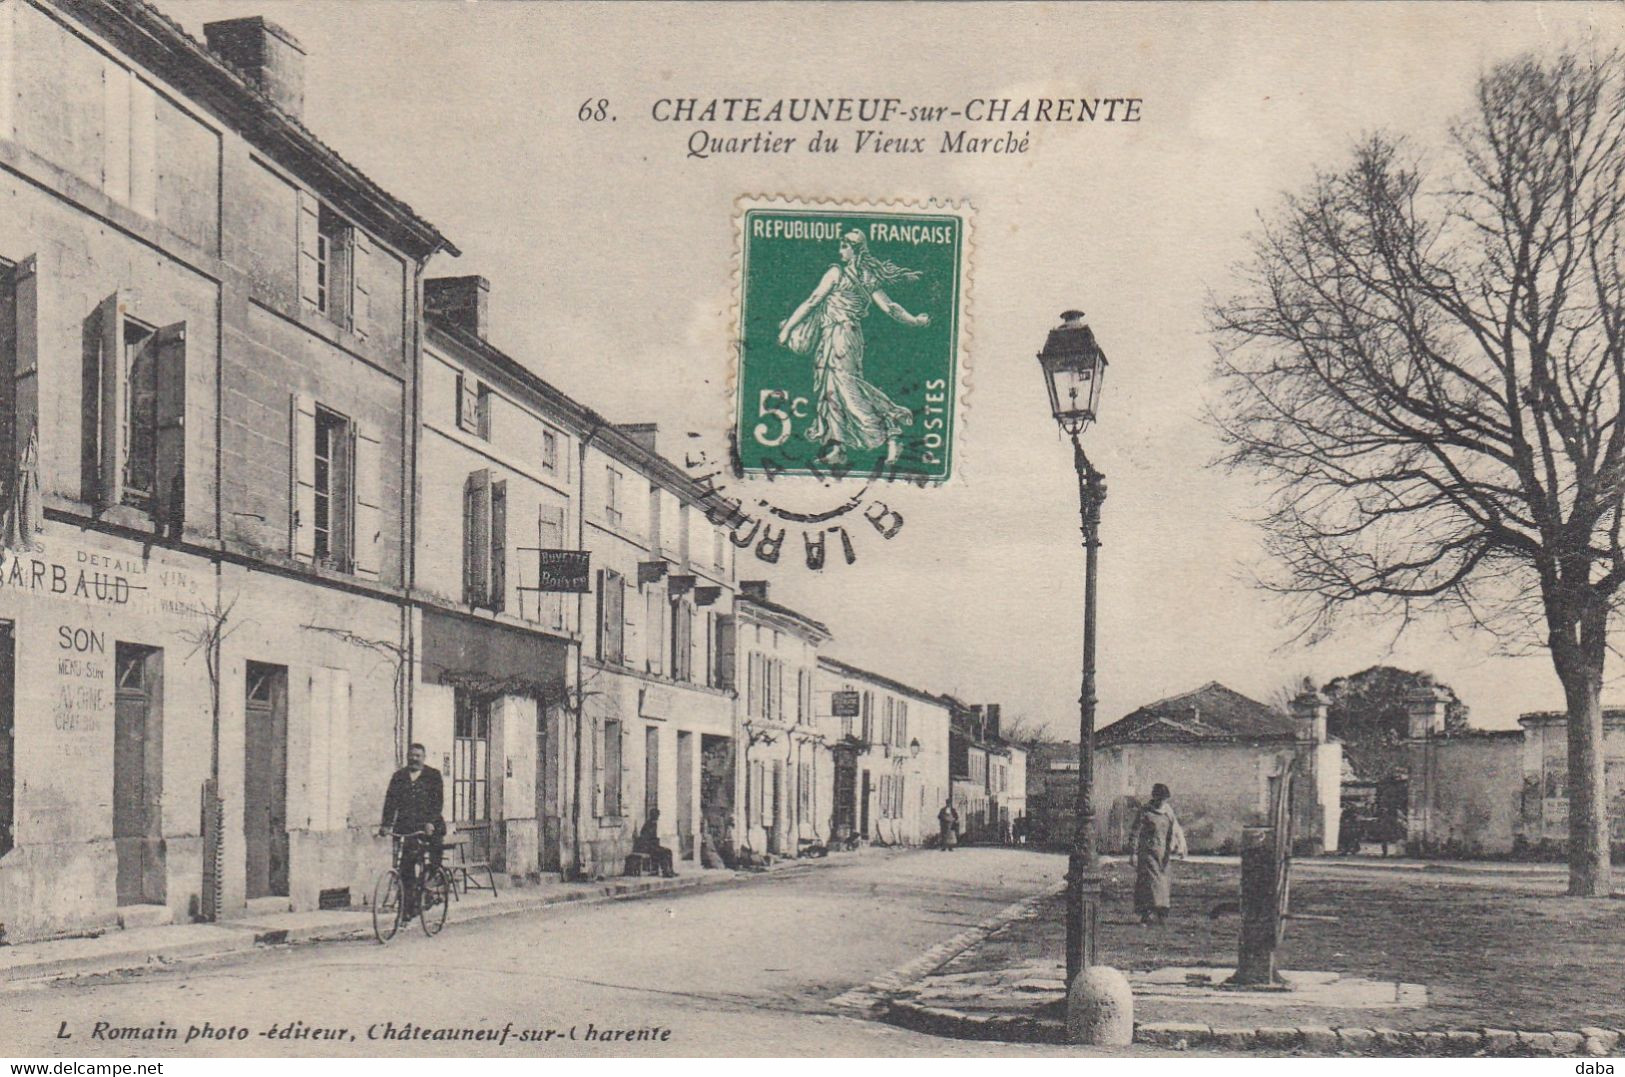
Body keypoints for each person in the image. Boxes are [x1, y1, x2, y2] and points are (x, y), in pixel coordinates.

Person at [777, 230, 931, 468]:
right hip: (842, 336)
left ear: (853, 248)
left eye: (843, 246)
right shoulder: (868, 276)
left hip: (840, 337)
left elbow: (812, 301)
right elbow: (890, 307)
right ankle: (837, 446)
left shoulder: (836, 272)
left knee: (847, 388)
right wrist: (915, 320)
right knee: (832, 390)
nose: (840, 251)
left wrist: (787, 328)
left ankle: (891, 426)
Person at [377, 743, 445, 915]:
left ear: (424, 757)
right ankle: (408, 910)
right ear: (408, 757)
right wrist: (386, 824)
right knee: (406, 867)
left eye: (418, 756)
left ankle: (431, 883)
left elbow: (438, 802)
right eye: (411, 755)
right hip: (406, 826)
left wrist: (431, 822)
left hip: (429, 824)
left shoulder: (433, 775)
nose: (414, 758)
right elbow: (390, 802)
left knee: (433, 852)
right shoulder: (398, 776)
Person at [1129, 783, 1187, 925]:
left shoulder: (1168, 812)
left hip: (1163, 854)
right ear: (1154, 798)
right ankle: (1146, 913)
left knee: (1163, 883)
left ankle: (1161, 912)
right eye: (1160, 799)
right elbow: (1135, 833)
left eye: (1164, 799)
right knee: (1149, 883)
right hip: (1147, 853)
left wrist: (1181, 846)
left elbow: (1176, 829)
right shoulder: (1145, 812)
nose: (1162, 802)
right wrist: (1133, 853)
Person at [635, 809, 677, 878]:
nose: (657, 817)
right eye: (656, 816)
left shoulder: (654, 824)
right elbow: (645, 838)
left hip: (653, 846)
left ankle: (670, 870)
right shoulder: (648, 825)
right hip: (647, 847)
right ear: (653, 816)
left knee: (668, 851)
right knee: (662, 853)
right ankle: (665, 872)